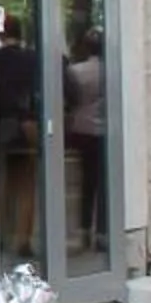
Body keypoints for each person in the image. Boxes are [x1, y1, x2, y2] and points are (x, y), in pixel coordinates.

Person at [0, 8, 39, 264]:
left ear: (2, 34)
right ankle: (22, 238)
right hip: (27, 125)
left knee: (1, 182)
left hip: (0, 124)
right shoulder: (32, 59)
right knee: (26, 185)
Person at [64, 28, 106, 254]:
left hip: (80, 130)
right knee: (102, 183)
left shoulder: (75, 71)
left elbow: (70, 101)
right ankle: (101, 231)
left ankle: (83, 229)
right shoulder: (110, 71)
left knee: (85, 183)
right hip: (102, 131)